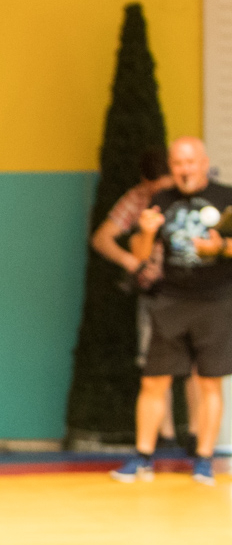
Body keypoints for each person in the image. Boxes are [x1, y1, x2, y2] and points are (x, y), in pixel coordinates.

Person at [113, 137, 230, 486]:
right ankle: (143, 457)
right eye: (178, 163)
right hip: (171, 301)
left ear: (205, 162)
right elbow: (140, 251)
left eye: (191, 162)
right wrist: (147, 233)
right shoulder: (161, 201)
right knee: (153, 380)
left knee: (209, 382)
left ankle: (204, 461)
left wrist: (220, 247)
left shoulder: (226, 197)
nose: (185, 169)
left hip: (216, 301)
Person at [90, 148, 193, 447]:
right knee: (157, 365)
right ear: (143, 182)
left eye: (163, 188)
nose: (157, 195)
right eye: (152, 189)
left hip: (191, 290)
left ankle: (197, 436)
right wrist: (131, 262)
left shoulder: (187, 196)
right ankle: (167, 435)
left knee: (197, 365)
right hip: (155, 292)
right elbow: (102, 237)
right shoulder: (137, 199)